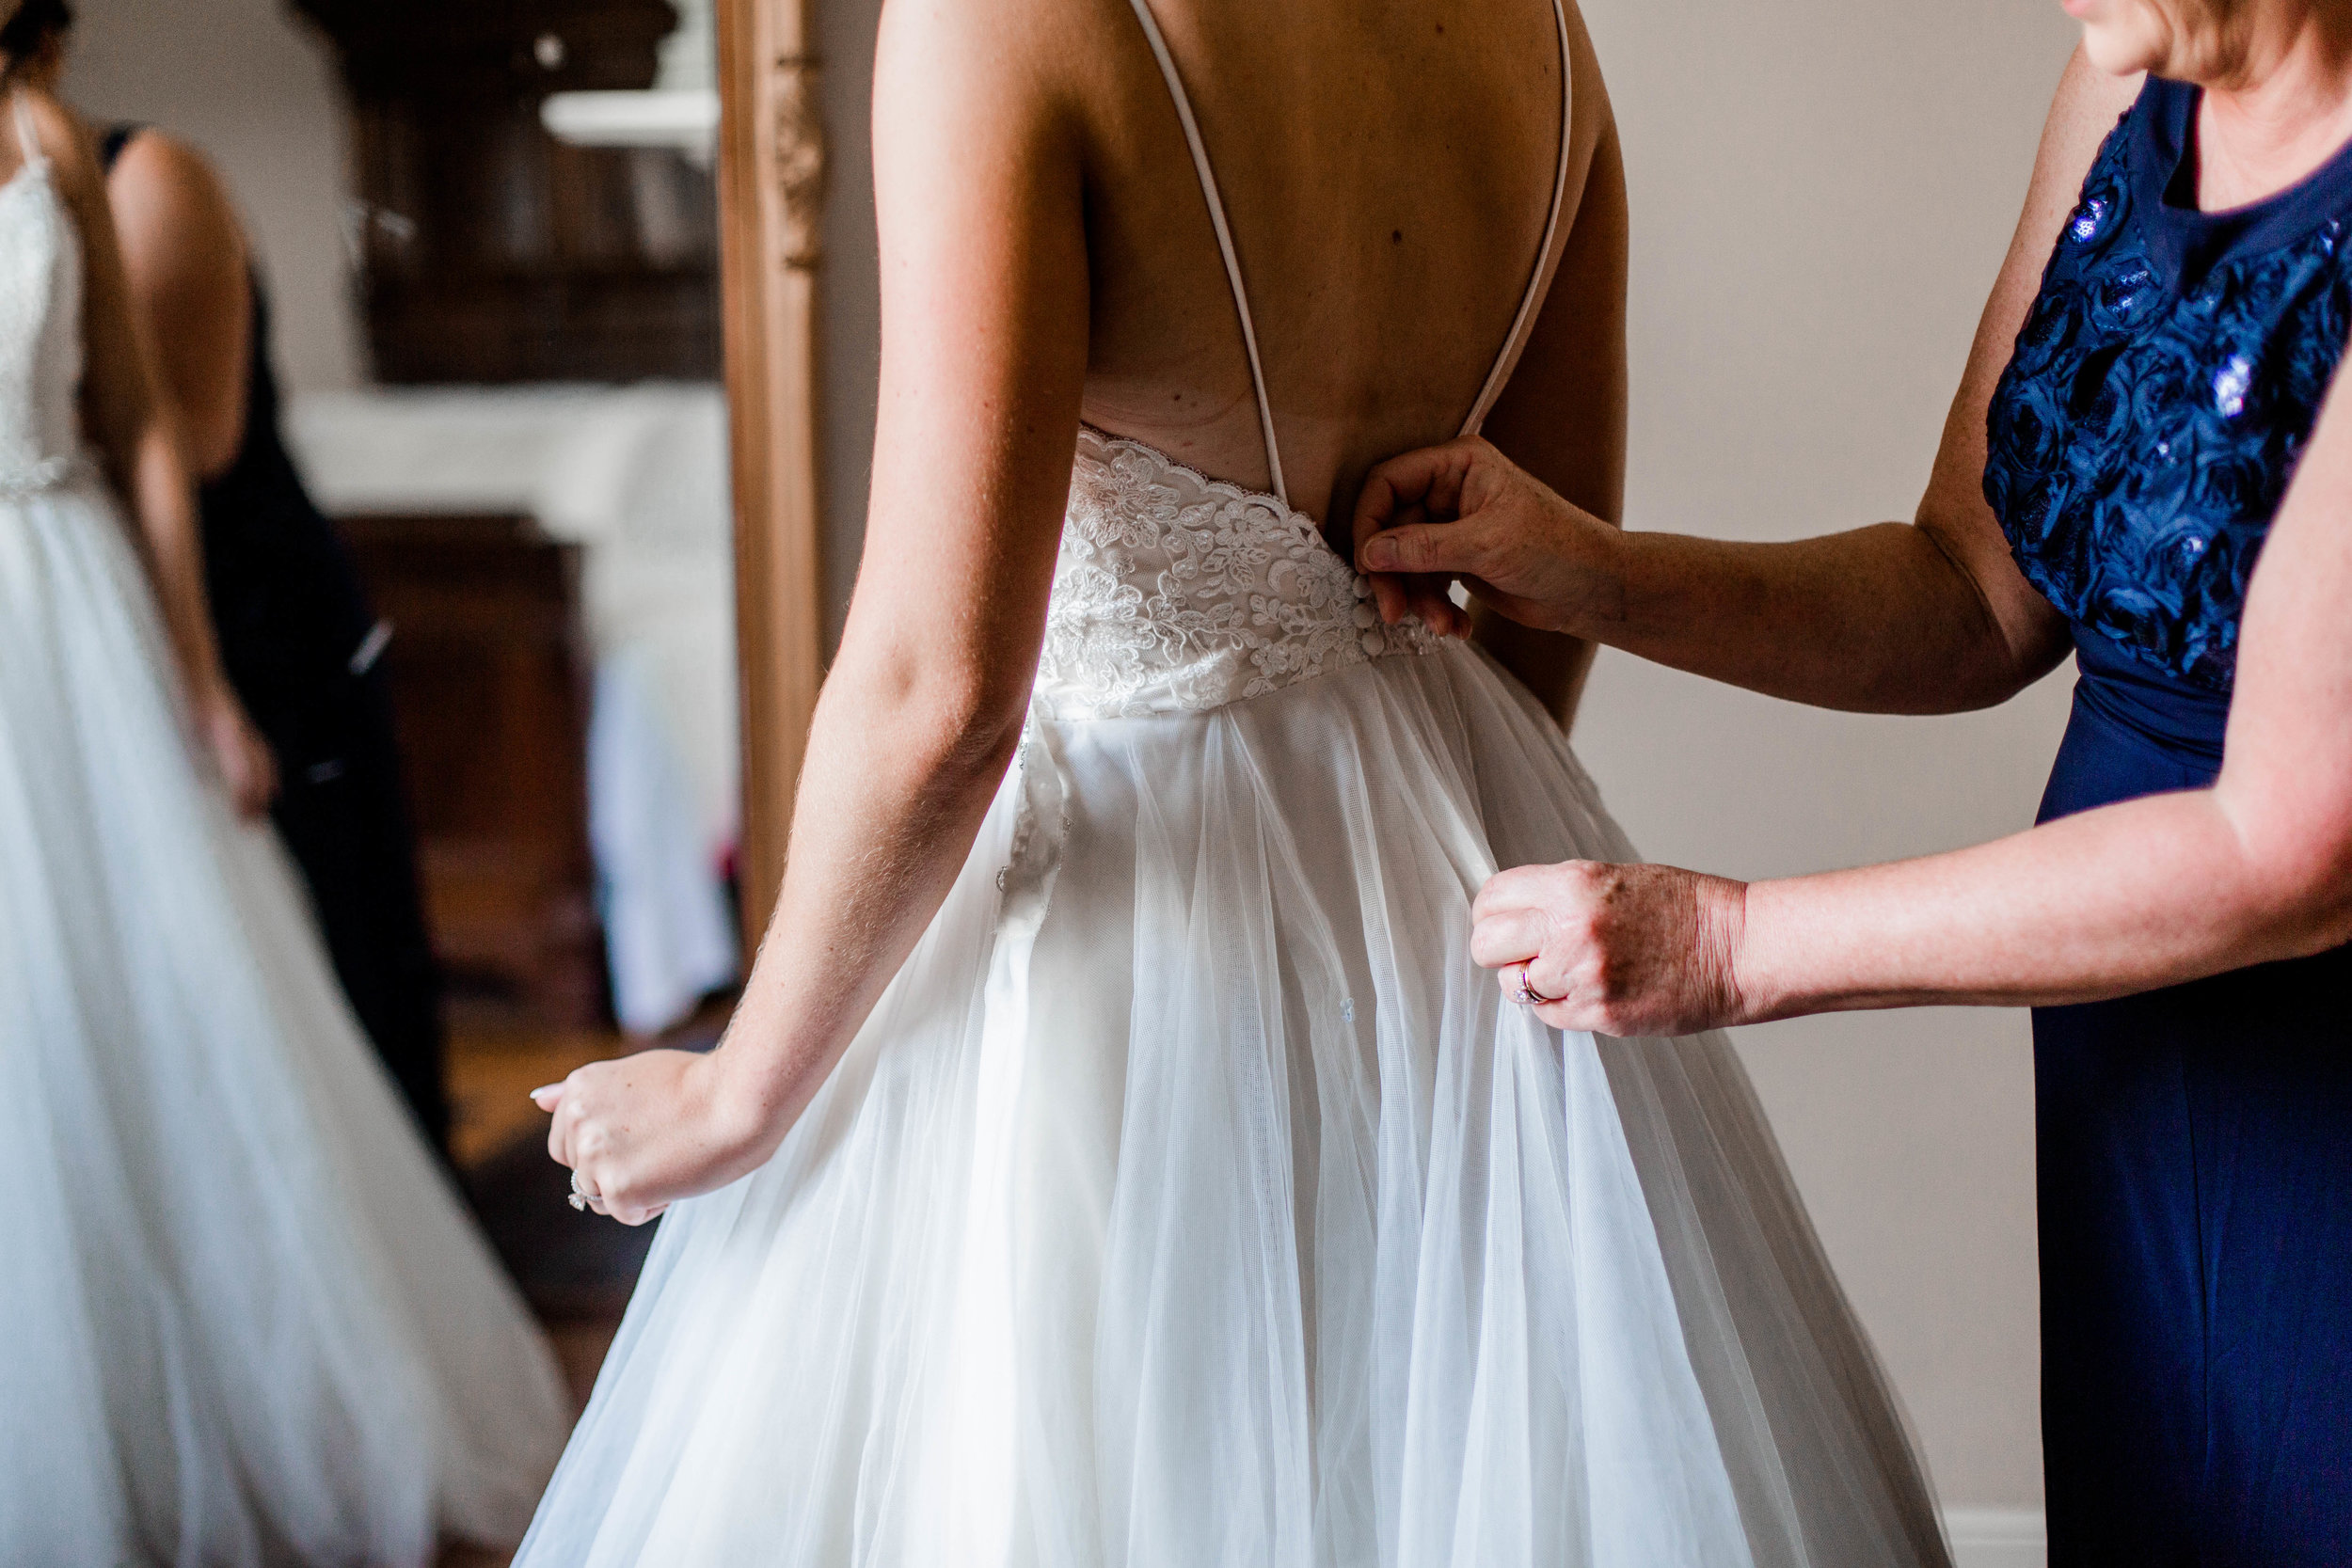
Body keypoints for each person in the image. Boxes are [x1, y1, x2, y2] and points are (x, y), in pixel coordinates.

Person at [520, 0, 1949, 1560]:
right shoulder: (1540, 30)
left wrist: (738, 1094)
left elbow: (942, 694)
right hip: (1450, 861)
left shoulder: (1003, 25)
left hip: (1119, 942)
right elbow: (1525, 592)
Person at [1351, 3, 2352, 1560]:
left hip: (2308, 1074)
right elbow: (1970, 589)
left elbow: (2290, 843)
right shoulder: (2119, 80)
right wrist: (1596, 573)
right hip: (2135, 1058)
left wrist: (1731, 945)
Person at [0, 38, 570, 1568]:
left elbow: (153, 442)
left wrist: (199, 688)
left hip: (76, 616)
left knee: (165, 1034)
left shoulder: (50, 136)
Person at [8, 0, 450, 1148]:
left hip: (183, 602)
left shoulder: (108, 163)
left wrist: (198, 687)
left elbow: (175, 435)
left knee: (269, 990)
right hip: (96, 583)